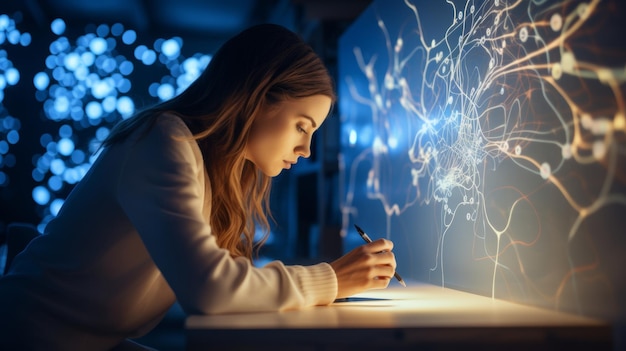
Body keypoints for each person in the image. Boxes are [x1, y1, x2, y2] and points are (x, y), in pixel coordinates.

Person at [0, 23, 397, 350]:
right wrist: (331, 278)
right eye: (302, 126)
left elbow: (217, 285)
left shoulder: (214, 170)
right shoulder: (163, 139)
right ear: (258, 97)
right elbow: (210, 290)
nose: (307, 150)